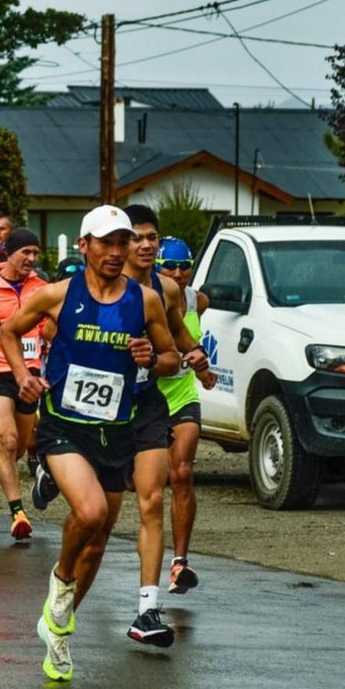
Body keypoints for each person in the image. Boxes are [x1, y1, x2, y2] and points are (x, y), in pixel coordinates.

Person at [0, 205, 180, 682]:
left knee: (97, 543)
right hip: (64, 425)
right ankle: (61, 582)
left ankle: (57, 630)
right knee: (92, 511)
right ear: (85, 246)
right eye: (107, 243)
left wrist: (151, 356)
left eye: (123, 242)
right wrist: (23, 376)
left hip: (116, 429)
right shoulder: (58, 294)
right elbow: (9, 331)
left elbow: (171, 358)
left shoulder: (145, 301)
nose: (116, 252)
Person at [118, 204, 207, 647]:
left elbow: (179, 346)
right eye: (137, 237)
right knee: (98, 514)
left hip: (159, 402)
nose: (148, 245)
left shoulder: (171, 293)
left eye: (153, 237)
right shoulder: (86, 290)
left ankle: (150, 603)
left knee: (159, 492)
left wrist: (193, 360)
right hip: (107, 409)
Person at [0, 226, 48, 541]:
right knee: (8, 440)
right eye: (25, 252)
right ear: (9, 253)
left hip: (28, 374)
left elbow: (49, 328)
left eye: (35, 253)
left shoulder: (43, 288)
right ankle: (17, 513)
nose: (31, 259)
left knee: (15, 449)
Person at [152, 236, 215, 595]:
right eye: (170, 267)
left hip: (182, 398)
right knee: (136, 484)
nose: (178, 274)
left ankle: (179, 563)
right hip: (147, 400)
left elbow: (192, 344)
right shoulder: (144, 299)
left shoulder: (197, 301)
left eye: (184, 267)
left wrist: (203, 372)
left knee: (182, 473)